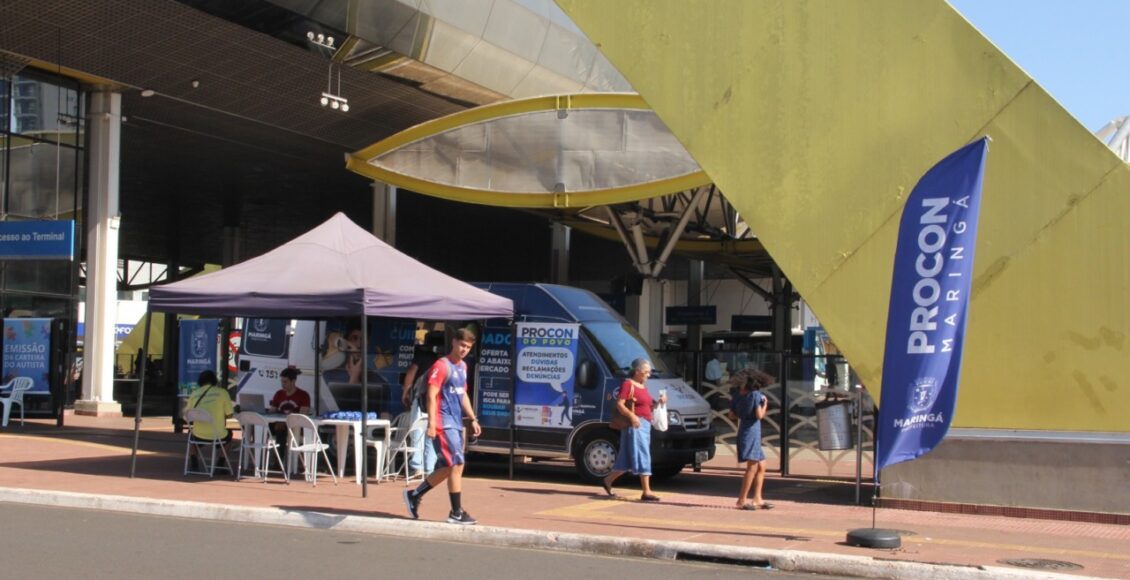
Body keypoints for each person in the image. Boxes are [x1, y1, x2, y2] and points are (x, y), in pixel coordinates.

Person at [402, 328, 482, 525]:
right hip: (442, 421)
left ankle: (415, 494)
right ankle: (456, 512)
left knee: (450, 466)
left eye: (468, 347)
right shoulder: (442, 365)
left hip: (455, 422)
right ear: (454, 342)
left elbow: (462, 394)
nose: (464, 350)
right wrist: (432, 423)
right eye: (462, 345)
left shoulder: (462, 367)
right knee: (456, 464)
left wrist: (472, 418)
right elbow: (431, 394)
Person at [600, 358, 667, 502]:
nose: (649, 375)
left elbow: (647, 405)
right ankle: (647, 491)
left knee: (626, 457)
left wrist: (659, 403)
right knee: (643, 454)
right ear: (637, 372)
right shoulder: (628, 384)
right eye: (646, 372)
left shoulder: (642, 386)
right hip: (636, 425)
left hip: (644, 424)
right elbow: (620, 404)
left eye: (649, 372)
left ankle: (608, 480)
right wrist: (632, 416)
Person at [729, 369, 774, 510]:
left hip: (744, 429)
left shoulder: (736, 396)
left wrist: (743, 413)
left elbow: (732, 415)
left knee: (762, 465)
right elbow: (759, 415)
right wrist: (765, 404)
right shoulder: (756, 395)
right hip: (752, 432)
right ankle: (741, 500)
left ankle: (757, 498)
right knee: (753, 466)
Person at [401, 343, 440, 477]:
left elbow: (411, 372)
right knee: (431, 434)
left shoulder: (420, 357)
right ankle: (430, 469)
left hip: (421, 400)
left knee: (417, 432)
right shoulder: (441, 361)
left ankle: (416, 466)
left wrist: (405, 392)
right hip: (437, 402)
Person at [185, 370, 234, 471]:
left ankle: (194, 464)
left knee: (191, 434)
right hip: (218, 435)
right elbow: (229, 414)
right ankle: (220, 464)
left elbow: (187, 416)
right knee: (229, 434)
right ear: (214, 380)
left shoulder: (195, 394)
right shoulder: (222, 393)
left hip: (198, 434)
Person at [268, 367, 310, 441]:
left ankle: (280, 453)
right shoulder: (279, 394)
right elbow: (272, 412)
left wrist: (285, 423)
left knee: (280, 431)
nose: (282, 385)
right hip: (279, 424)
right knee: (258, 426)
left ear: (293, 381)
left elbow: (302, 416)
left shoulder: (303, 395)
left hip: (296, 426)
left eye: (285, 382)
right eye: (282, 382)